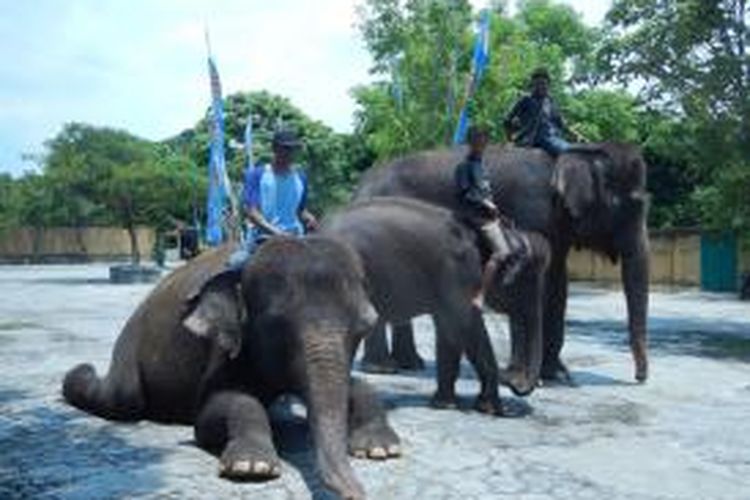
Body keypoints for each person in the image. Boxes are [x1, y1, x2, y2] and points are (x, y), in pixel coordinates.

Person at [454, 126, 529, 302]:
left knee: (519, 242)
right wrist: (485, 203)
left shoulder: (480, 165)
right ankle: (481, 294)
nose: (482, 145)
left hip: (489, 215)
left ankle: (504, 286)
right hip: (477, 216)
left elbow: (484, 190)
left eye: (484, 141)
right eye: (478, 141)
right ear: (471, 143)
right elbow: (464, 193)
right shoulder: (464, 167)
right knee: (502, 252)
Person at [228, 129, 318, 268]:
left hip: (296, 238)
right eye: (286, 149)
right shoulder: (257, 175)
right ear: (275, 148)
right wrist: (277, 233)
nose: (290, 153)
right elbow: (252, 212)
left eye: (294, 149)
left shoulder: (300, 177)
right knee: (236, 264)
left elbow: (300, 210)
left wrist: (309, 218)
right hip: (263, 238)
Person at [503, 67, 580, 157]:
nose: (541, 87)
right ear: (533, 85)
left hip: (553, 137)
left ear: (548, 85)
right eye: (538, 84)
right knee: (569, 152)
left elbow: (561, 123)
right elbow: (507, 120)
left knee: (579, 150)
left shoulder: (550, 101)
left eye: (544, 84)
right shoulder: (526, 99)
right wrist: (510, 140)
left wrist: (577, 135)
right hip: (537, 138)